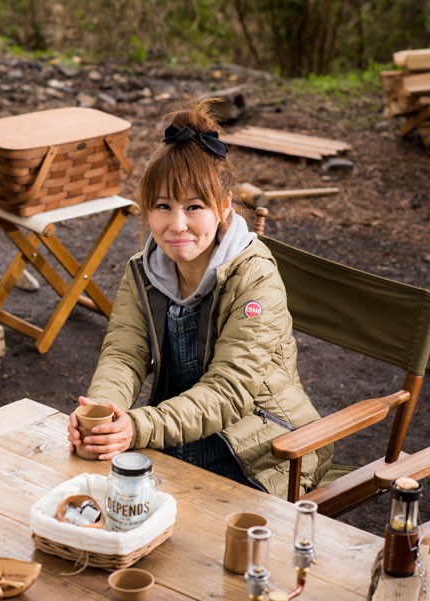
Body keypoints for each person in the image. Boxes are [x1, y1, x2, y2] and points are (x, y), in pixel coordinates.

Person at [67, 99, 332, 498]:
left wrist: (138, 427)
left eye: (194, 207)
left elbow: (229, 391)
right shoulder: (143, 273)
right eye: (162, 206)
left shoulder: (255, 276)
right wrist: (102, 418)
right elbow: (122, 356)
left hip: (261, 450)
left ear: (223, 207)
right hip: (177, 434)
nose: (177, 225)